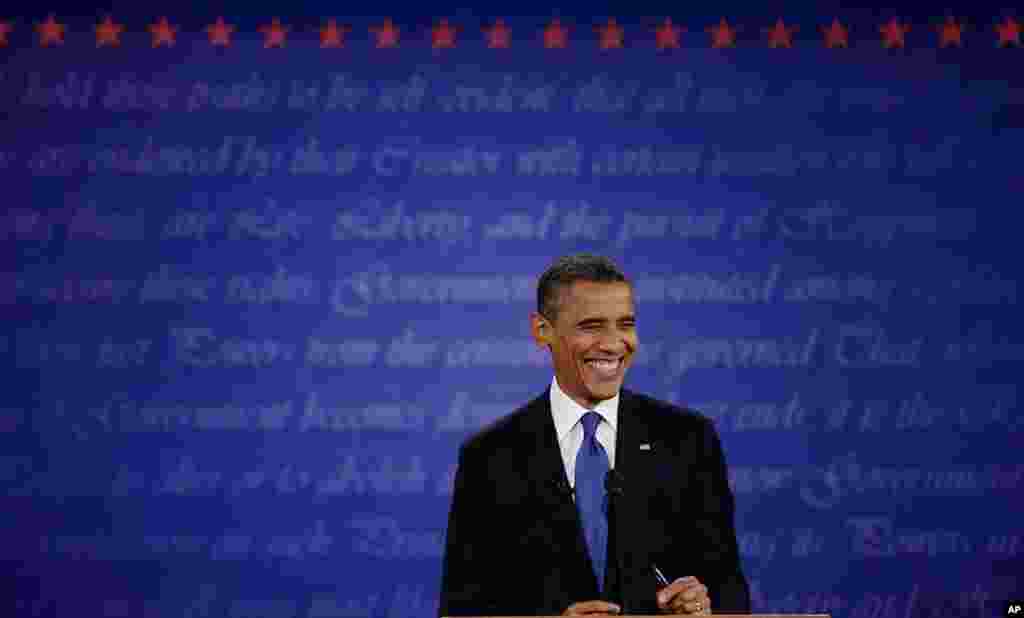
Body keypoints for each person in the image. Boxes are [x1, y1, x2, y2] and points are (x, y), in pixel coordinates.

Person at [439, 254, 750, 616]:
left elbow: (730, 592)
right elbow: (461, 610)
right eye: (591, 326)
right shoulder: (490, 456)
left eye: (626, 324)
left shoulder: (687, 440)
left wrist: (703, 607)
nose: (613, 344)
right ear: (542, 331)